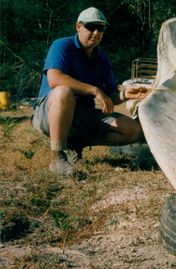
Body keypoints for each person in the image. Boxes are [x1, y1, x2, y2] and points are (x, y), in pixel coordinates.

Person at [32, 7, 149, 176]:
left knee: (132, 129)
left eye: (100, 28)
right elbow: (54, 79)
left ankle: (76, 144)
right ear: (78, 27)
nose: (96, 33)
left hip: (83, 116)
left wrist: (125, 94)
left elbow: (110, 95)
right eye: (91, 27)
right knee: (63, 92)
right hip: (48, 114)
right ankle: (57, 157)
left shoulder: (102, 59)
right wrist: (94, 90)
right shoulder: (62, 46)